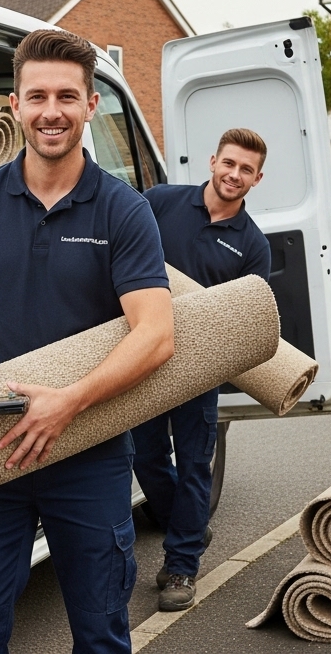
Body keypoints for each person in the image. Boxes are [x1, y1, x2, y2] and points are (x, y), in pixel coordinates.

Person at [0, 28, 175, 654]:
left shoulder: (123, 210)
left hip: (89, 449)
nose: (51, 112)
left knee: (100, 633)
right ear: (14, 105)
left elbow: (156, 334)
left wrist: (70, 401)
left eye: (67, 96)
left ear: (90, 105)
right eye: (37, 96)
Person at [131, 128, 272, 611]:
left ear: (257, 179)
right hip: (143, 355)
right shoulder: (160, 202)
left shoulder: (252, 245)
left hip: (199, 368)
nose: (235, 174)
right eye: (229, 163)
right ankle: (189, 526)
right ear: (213, 161)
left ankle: (181, 565)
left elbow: (246, 318)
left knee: (194, 464)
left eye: (246, 169)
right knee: (144, 457)